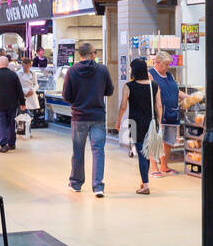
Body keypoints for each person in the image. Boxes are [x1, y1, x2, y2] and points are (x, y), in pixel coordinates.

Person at [64, 42, 114, 197]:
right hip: (98, 116)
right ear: (92, 54)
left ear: (80, 55)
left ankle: (76, 183)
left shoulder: (72, 71)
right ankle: (98, 186)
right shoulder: (102, 70)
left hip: (79, 117)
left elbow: (66, 95)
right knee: (98, 151)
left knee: (78, 151)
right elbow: (110, 90)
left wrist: (77, 101)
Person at [115, 58, 161, 195]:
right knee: (146, 154)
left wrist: (118, 121)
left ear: (134, 70)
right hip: (152, 123)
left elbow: (123, 106)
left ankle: (145, 185)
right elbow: (158, 105)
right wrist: (160, 122)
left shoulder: (128, 86)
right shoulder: (154, 85)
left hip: (135, 123)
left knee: (142, 153)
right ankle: (144, 181)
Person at [149, 52, 186, 176]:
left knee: (168, 141)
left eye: (169, 64)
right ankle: (154, 168)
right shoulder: (151, 75)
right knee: (155, 140)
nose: (168, 67)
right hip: (158, 114)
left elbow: (176, 91)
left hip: (172, 112)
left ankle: (164, 165)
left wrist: (190, 98)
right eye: (166, 64)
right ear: (157, 62)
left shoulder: (169, 76)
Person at [0, 53, 26, 153]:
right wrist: (22, 102)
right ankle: (11, 143)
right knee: (11, 123)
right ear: (8, 64)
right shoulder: (13, 75)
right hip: (12, 104)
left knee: (1, 123)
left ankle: (3, 144)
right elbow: (19, 90)